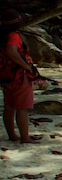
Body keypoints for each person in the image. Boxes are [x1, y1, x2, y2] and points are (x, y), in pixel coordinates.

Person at [1, 8, 38, 143]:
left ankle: (12, 135)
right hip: (19, 75)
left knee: (9, 107)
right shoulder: (14, 36)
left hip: (5, 75)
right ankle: (24, 137)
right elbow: (12, 50)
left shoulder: (2, 36)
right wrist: (26, 66)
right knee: (22, 108)